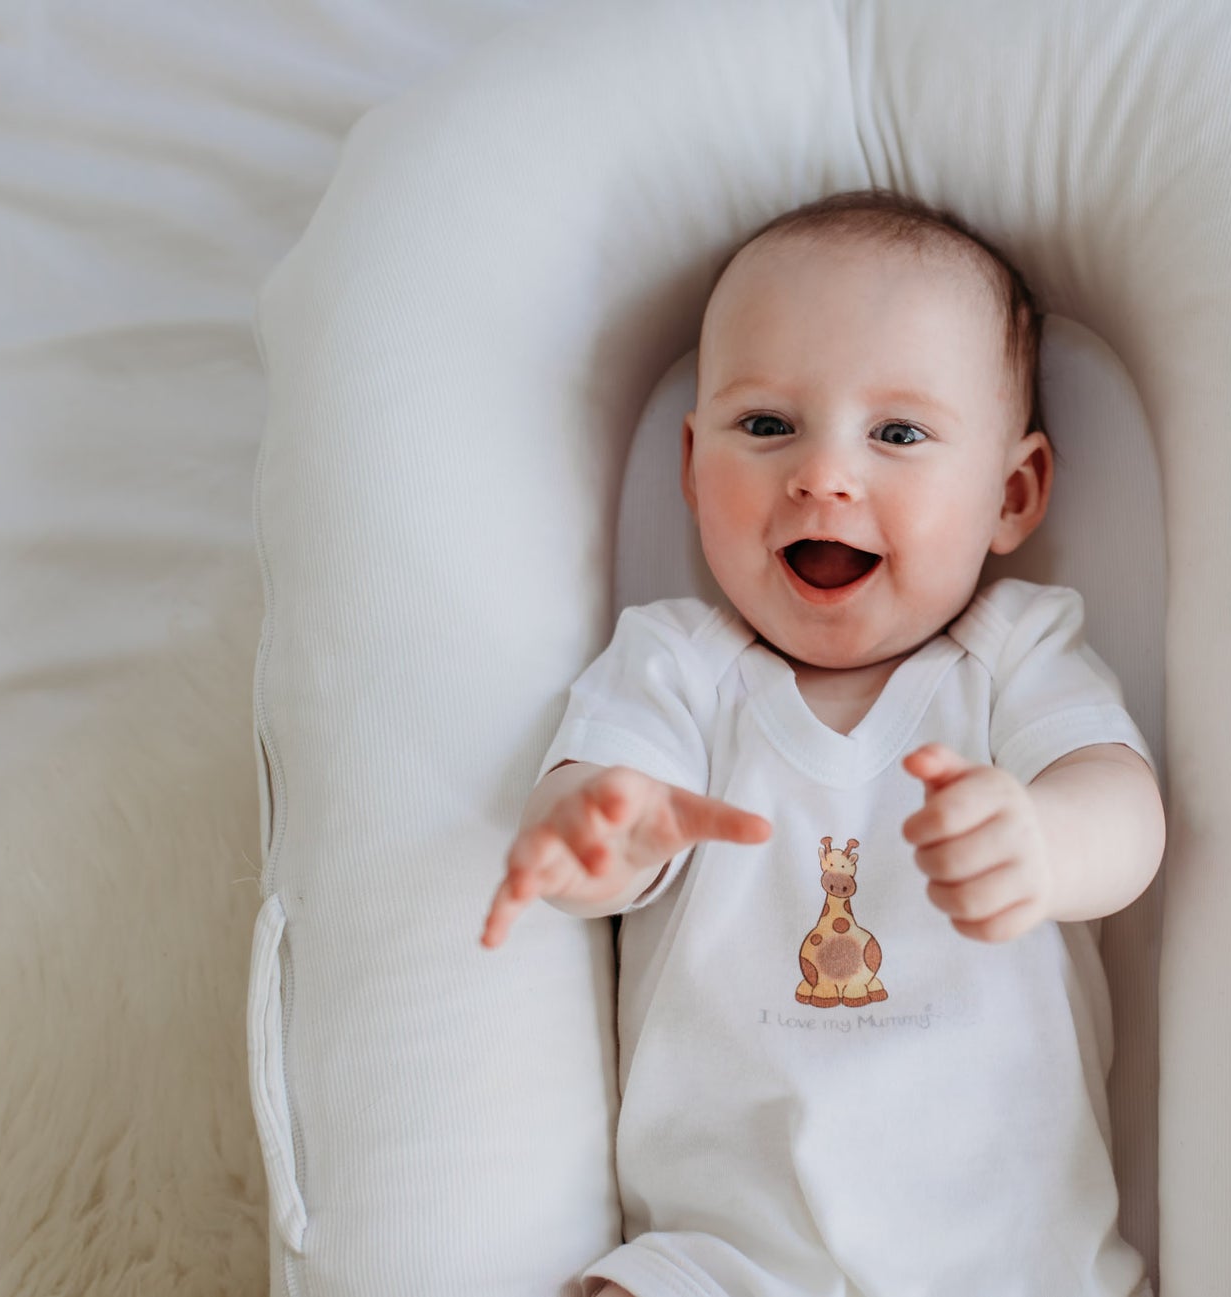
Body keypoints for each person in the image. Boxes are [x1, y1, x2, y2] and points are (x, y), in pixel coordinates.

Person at [481, 187, 1164, 1297]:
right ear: (692, 466)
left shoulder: (1012, 657)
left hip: (1006, 1259)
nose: (821, 473)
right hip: (726, 1260)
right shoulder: (679, 668)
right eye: (766, 426)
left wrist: (1046, 839)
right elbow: (585, 831)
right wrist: (594, 828)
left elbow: (1128, 816)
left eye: (897, 433)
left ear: (1012, 492)